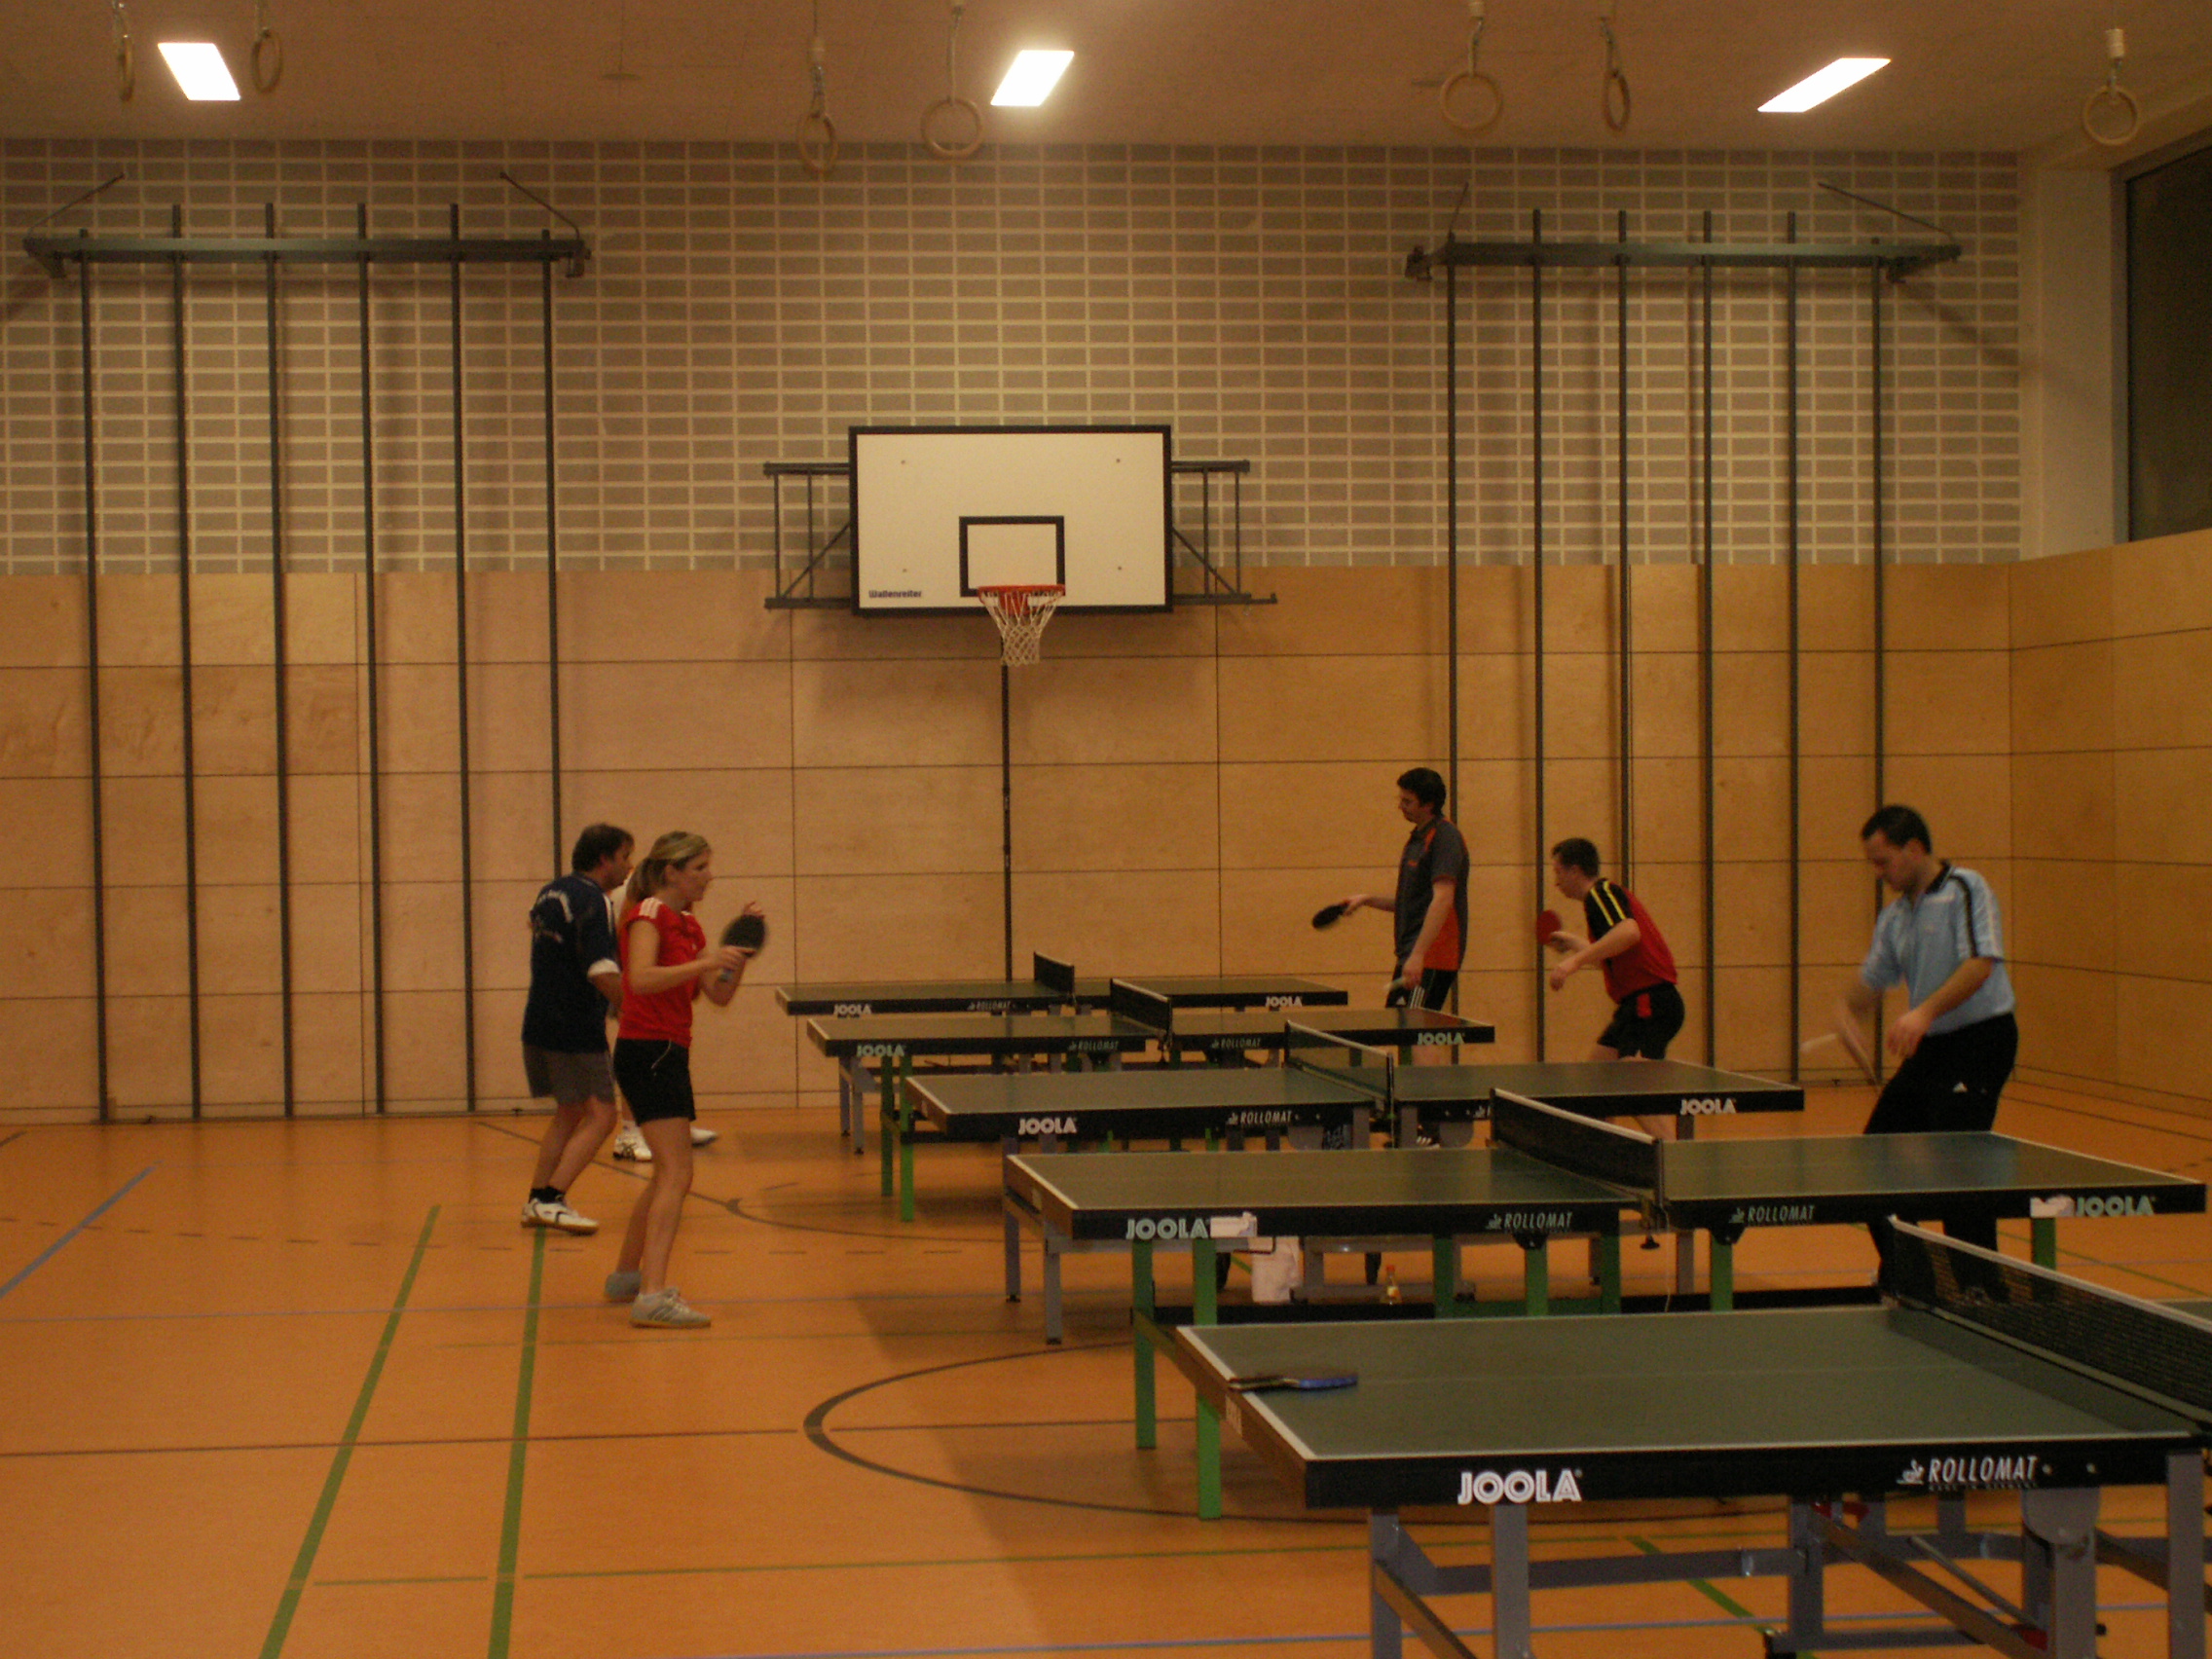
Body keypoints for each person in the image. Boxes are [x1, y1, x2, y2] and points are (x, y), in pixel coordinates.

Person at [1833, 804, 2017, 1258]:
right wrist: (1846, 1011)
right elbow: (1871, 981)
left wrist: (1924, 1013)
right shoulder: (1895, 917)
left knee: (1959, 1170)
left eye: (1883, 861)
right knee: (1875, 1160)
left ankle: (1978, 1285)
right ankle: (1912, 1274)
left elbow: (1980, 964)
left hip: (1980, 1041)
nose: (1879, 873)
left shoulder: (1965, 889)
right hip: (1933, 1049)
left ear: (1914, 849)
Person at [608, 830, 758, 1329]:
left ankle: (627, 1277)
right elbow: (639, 979)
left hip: (670, 1051)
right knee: (677, 1173)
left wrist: (735, 958)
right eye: (699, 868)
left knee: (666, 1174)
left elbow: (717, 994)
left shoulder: (689, 926)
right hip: (647, 1052)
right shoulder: (649, 913)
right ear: (672, 872)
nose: (709, 876)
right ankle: (652, 1296)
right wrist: (706, 961)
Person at [518, 823, 633, 1235]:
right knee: (603, 1116)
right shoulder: (594, 900)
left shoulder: (551, 891)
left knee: (569, 1112)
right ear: (604, 859)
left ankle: (537, 1200)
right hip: (575, 1026)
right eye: (625, 857)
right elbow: (600, 969)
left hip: (539, 1021)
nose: (629, 866)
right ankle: (552, 1199)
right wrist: (631, 1008)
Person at [1333, 766, 1469, 1012]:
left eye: (1408, 802)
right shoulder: (1417, 839)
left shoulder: (1444, 838)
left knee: (1413, 1028)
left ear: (1428, 804)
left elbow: (1443, 899)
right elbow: (1413, 903)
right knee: (1399, 1024)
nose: (1400, 806)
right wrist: (1367, 899)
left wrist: (1419, 955)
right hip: (1413, 954)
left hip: (1433, 956)